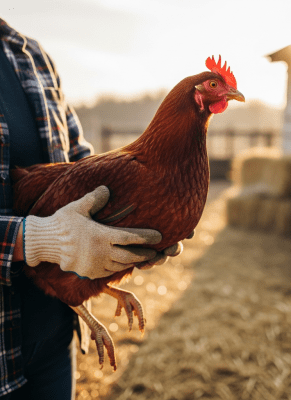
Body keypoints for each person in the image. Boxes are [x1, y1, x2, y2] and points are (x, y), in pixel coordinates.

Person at [0, 18, 182, 399]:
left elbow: (82, 163)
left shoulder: (31, 55)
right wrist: (34, 239)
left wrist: (138, 213)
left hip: (52, 342)